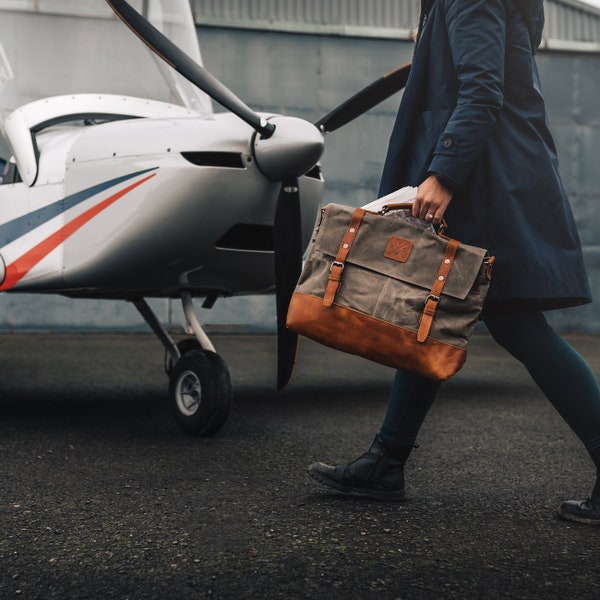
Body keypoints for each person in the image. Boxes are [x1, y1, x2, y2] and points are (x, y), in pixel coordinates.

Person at [308, 0, 600, 525]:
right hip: (493, 173)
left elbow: (483, 88)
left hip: (485, 182)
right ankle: (386, 460)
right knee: (432, 315)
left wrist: (443, 173)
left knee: (516, 325)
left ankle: (386, 460)